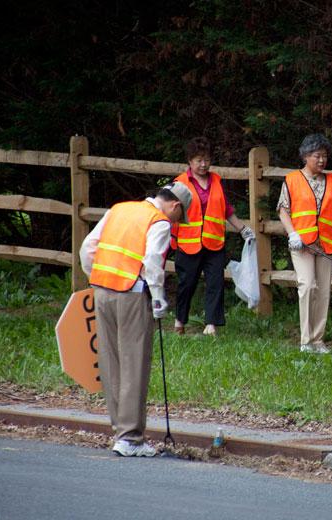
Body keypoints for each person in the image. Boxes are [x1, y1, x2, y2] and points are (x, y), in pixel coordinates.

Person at [80, 183, 192, 456]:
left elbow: (88, 248)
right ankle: (131, 438)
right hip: (132, 293)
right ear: (175, 206)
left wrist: (97, 278)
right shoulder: (160, 221)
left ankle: (121, 430)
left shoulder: (118, 210)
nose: (177, 222)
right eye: (181, 216)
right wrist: (158, 296)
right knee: (134, 363)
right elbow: (153, 260)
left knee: (111, 361)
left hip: (102, 290)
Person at [277, 134, 332, 353]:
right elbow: (283, 209)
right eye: (317, 156)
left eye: (325, 156)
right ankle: (305, 340)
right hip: (301, 244)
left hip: (327, 243)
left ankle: (318, 340)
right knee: (307, 286)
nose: (321, 160)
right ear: (305, 157)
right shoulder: (292, 180)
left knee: (324, 292)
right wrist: (292, 233)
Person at [171, 137, 254, 336]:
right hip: (188, 243)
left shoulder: (216, 180)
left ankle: (211, 325)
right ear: (189, 161)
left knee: (215, 283)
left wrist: (243, 229)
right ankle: (180, 320)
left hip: (214, 242)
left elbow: (226, 209)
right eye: (199, 160)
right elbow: (170, 211)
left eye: (207, 159)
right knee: (187, 284)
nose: (203, 164)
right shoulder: (180, 183)